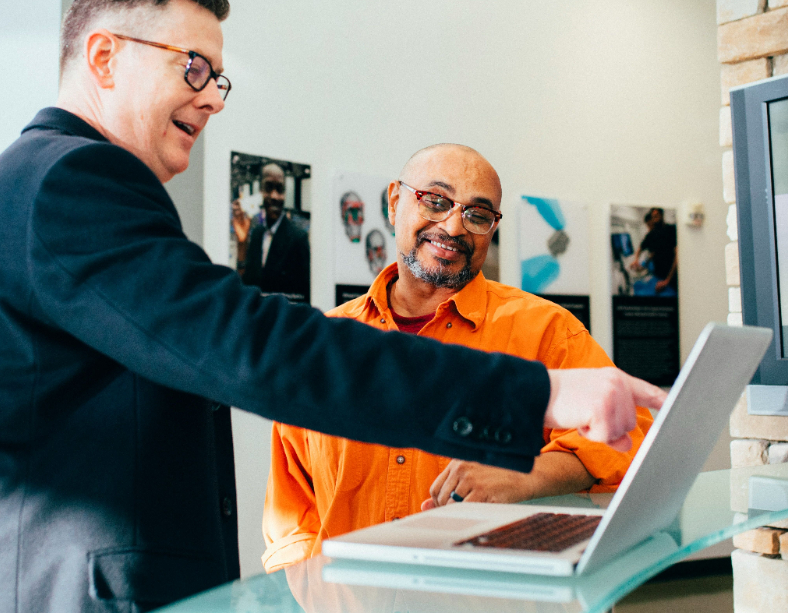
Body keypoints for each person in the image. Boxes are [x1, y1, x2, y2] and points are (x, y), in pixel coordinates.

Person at [0, 0, 665, 613]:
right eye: (192, 67)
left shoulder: (45, 183)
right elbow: (253, 346)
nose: (212, 97)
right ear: (104, 57)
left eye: (218, 78)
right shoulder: (72, 179)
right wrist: (534, 396)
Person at [262, 145, 654, 572]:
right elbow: (292, 518)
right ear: (394, 202)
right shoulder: (325, 344)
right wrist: (311, 592)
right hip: (348, 595)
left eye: (477, 215)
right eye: (435, 201)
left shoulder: (546, 330)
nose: (453, 227)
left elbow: (630, 438)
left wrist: (526, 475)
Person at [232, 163, 310, 302]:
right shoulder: (257, 234)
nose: (274, 196)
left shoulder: (298, 239)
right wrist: (242, 244)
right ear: (260, 191)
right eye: (268, 188)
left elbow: (304, 297)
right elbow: (246, 285)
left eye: (280, 189)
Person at [631, 207, 678, 295]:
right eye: (653, 216)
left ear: (662, 215)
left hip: (671, 277)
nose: (655, 218)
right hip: (658, 276)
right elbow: (641, 248)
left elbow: (677, 255)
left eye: (657, 215)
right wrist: (636, 260)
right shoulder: (652, 234)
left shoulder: (671, 229)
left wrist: (667, 280)